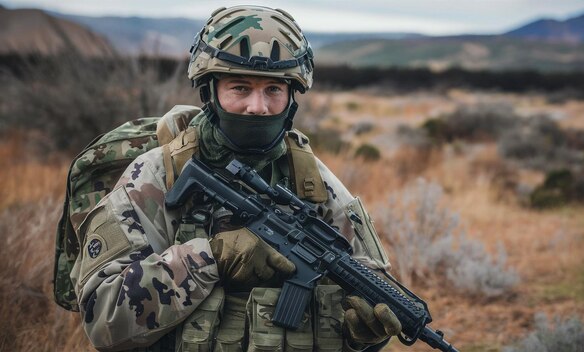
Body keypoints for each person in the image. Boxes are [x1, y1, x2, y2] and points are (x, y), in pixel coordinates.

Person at [70, 5, 404, 352]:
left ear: (292, 97)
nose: (257, 106)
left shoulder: (317, 184)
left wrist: (363, 333)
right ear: (209, 93)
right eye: (240, 88)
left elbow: (371, 289)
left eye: (273, 89)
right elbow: (103, 321)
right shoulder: (156, 176)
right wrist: (211, 257)